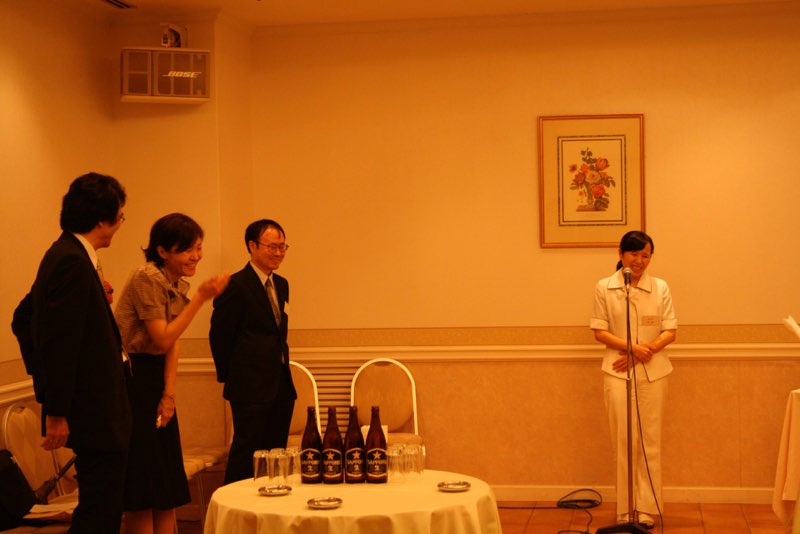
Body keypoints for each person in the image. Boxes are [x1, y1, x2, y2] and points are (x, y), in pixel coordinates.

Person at [11, 172, 132, 533]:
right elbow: (60, 343)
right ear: (102, 220)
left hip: (94, 405)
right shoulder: (71, 261)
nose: (120, 224)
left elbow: (25, 318)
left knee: (102, 505)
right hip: (94, 408)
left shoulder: (67, 254)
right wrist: (56, 408)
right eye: (120, 216)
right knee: (100, 510)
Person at [114, 213, 228, 534]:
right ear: (162, 251)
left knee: (164, 488)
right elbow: (162, 338)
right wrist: (201, 297)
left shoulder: (175, 283)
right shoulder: (146, 277)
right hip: (131, 380)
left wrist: (169, 394)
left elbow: (172, 343)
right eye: (187, 249)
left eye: (198, 248)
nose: (196, 256)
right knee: (143, 487)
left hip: (154, 378)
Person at [590, 230, 677, 529]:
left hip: (654, 371)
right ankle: (626, 509)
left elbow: (670, 331)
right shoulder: (605, 286)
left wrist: (643, 351)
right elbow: (599, 331)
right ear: (621, 254)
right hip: (617, 370)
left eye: (645, 255)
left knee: (649, 439)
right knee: (624, 441)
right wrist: (631, 348)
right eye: (634, 254)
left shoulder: (660, 287)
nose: (639, 260)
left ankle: (647, 507)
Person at [209, 219, 297, 483]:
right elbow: (219, 336)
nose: (278, 253)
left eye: (282, 247)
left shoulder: (282, 284)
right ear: (252, 246)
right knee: (247, 452)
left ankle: (274, 500)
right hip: (249, 386)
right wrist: (231, 376)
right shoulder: (235, 285)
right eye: (272, 247)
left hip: (280, 383)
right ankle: (233, 504)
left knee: (276, 453)